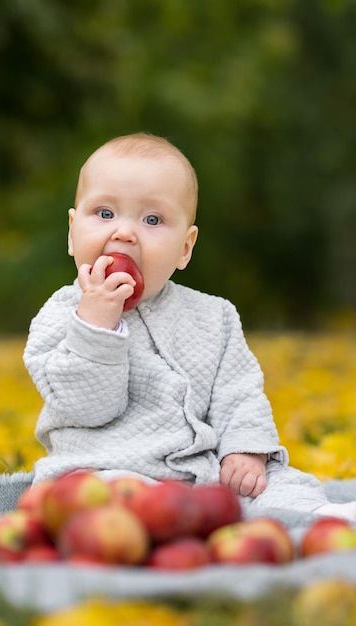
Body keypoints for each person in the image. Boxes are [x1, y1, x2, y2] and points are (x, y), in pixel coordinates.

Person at [23, 132, 356, 519]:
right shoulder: (60, 316)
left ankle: (321, 518)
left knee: (280, 484)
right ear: (71, 231)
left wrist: (244, 450)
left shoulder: (214, 316)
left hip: (205, 476)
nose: (124, 232)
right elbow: (86, 408)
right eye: (105, 213)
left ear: (185, 247)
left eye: (152, 219)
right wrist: (96, 324)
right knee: (100, 496)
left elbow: (240, 393)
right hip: (103, 472)